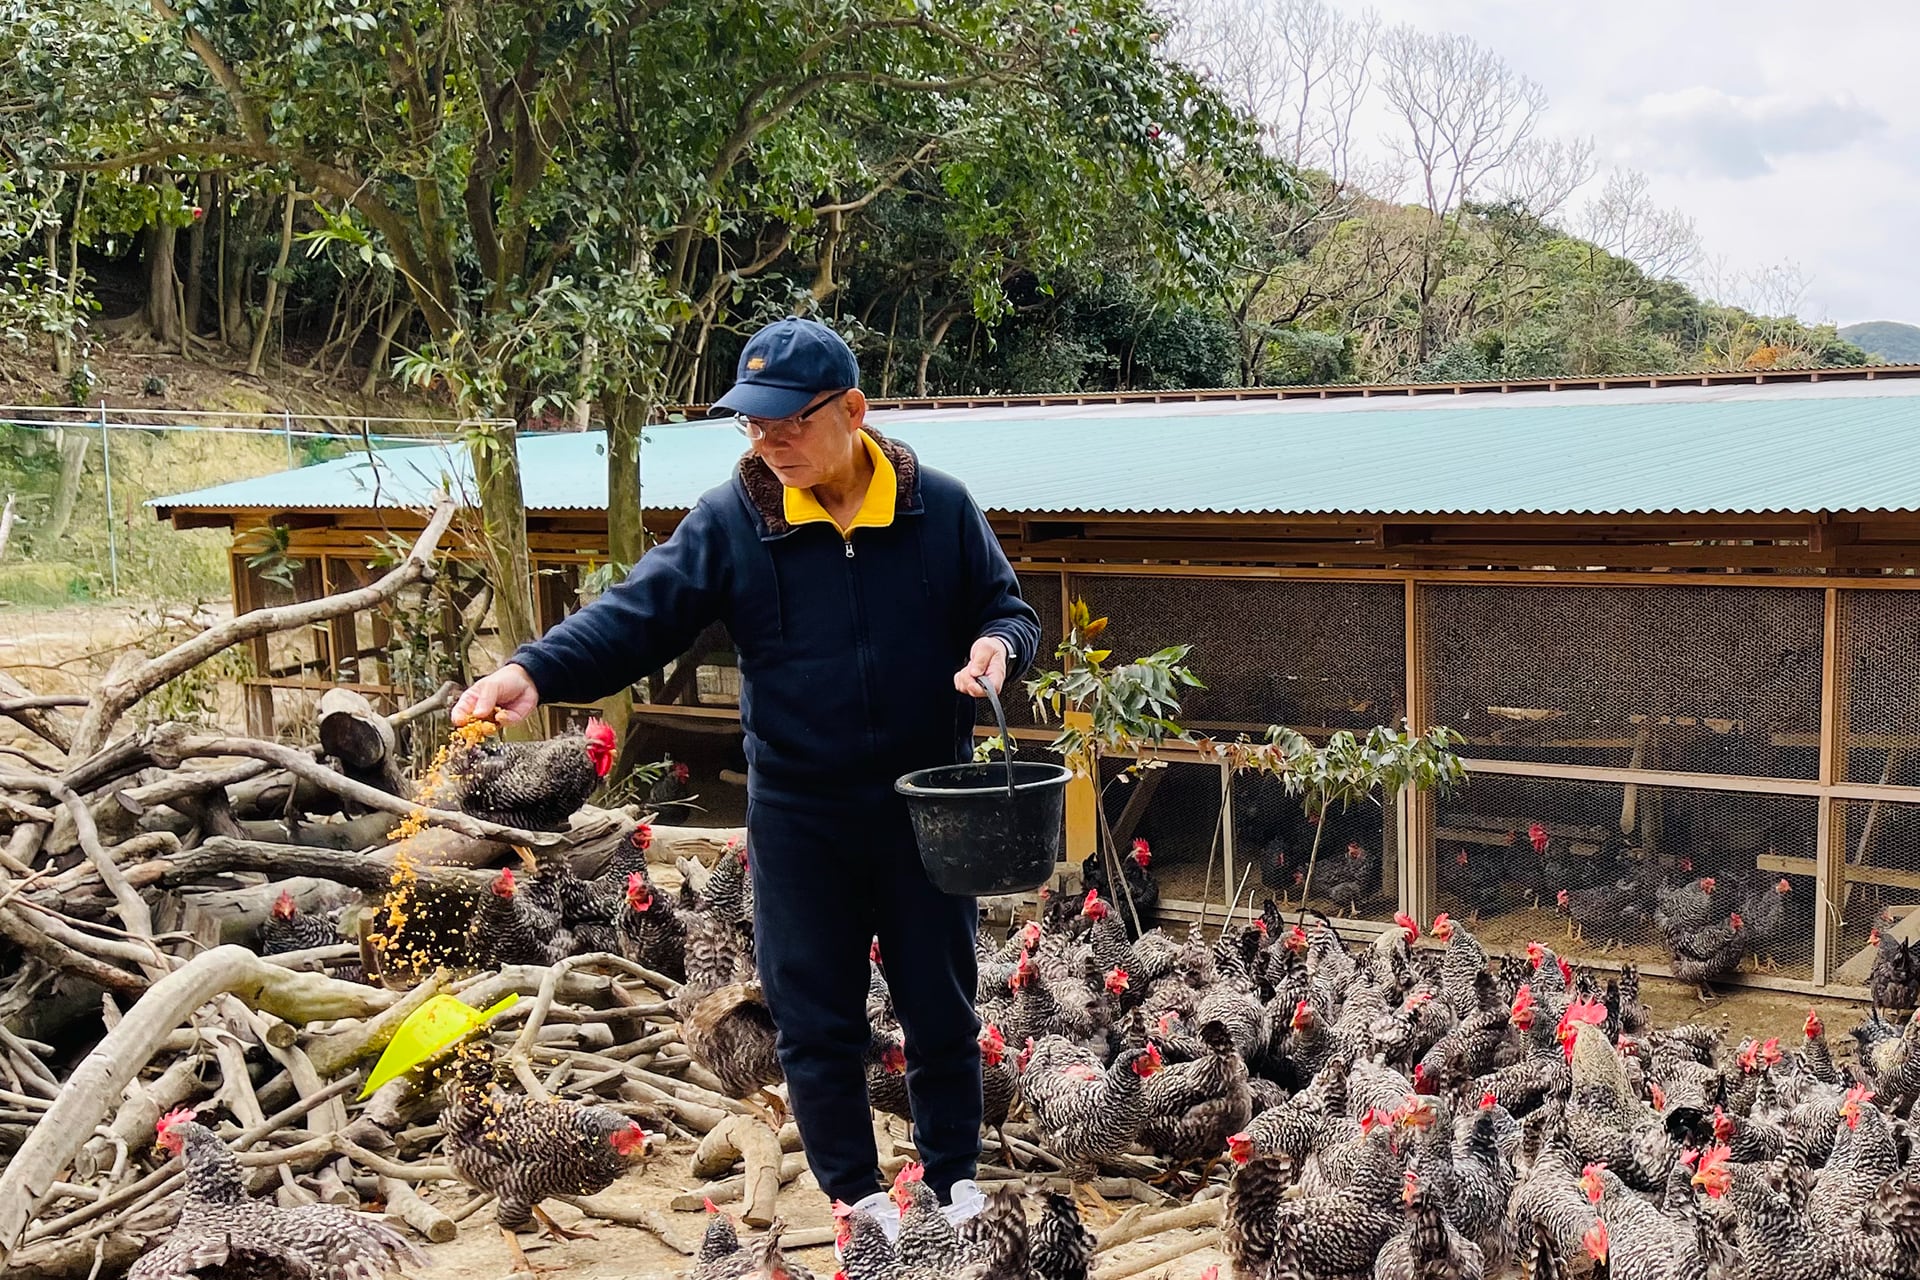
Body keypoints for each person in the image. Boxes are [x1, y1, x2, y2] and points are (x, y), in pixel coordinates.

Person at [452, 316, 1041, 1213]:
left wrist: (999, 643)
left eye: (788, 422)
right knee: (816, 1024)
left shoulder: (941, 509)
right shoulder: (734, 522)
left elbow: (1009, 608)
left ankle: (955, 1190)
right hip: (801, 820)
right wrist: (533, 669)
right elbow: (635, 614)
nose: (768, 441)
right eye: (751, 424)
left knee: (942, 1013)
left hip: (930, 812)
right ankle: (860, 1206)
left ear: (853, 410)